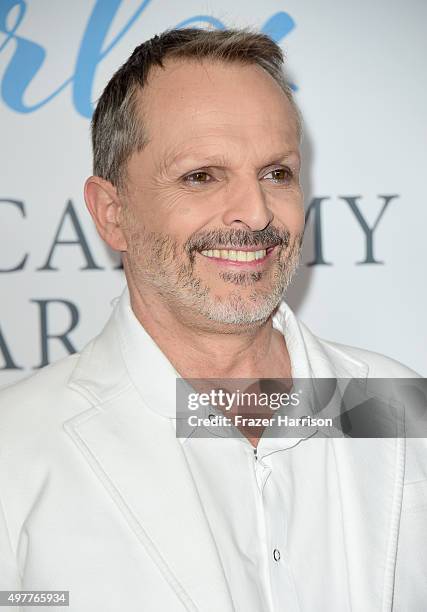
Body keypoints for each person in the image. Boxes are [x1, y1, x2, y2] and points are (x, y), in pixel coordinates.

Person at [0, 28, 425, 612]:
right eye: (201, 175)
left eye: (277, 173)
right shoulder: (14, 449)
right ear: (111, 213)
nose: (254, 212)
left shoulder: (397, 409)